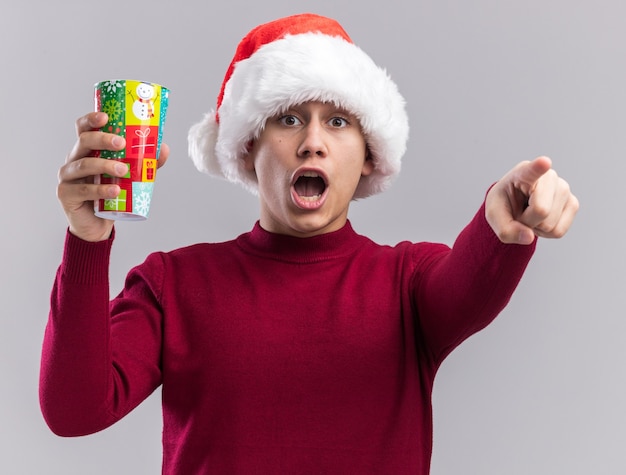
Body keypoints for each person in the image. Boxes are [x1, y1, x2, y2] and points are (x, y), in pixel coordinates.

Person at [40, 13, 579, 474]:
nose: (313, 143)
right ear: (248, 146)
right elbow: (74, 410)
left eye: (338, 121)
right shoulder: (172, 284)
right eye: (289, 118)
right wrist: (87, 240)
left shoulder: (409, 283)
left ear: (369, 154)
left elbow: (469, 280)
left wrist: (503, 214)